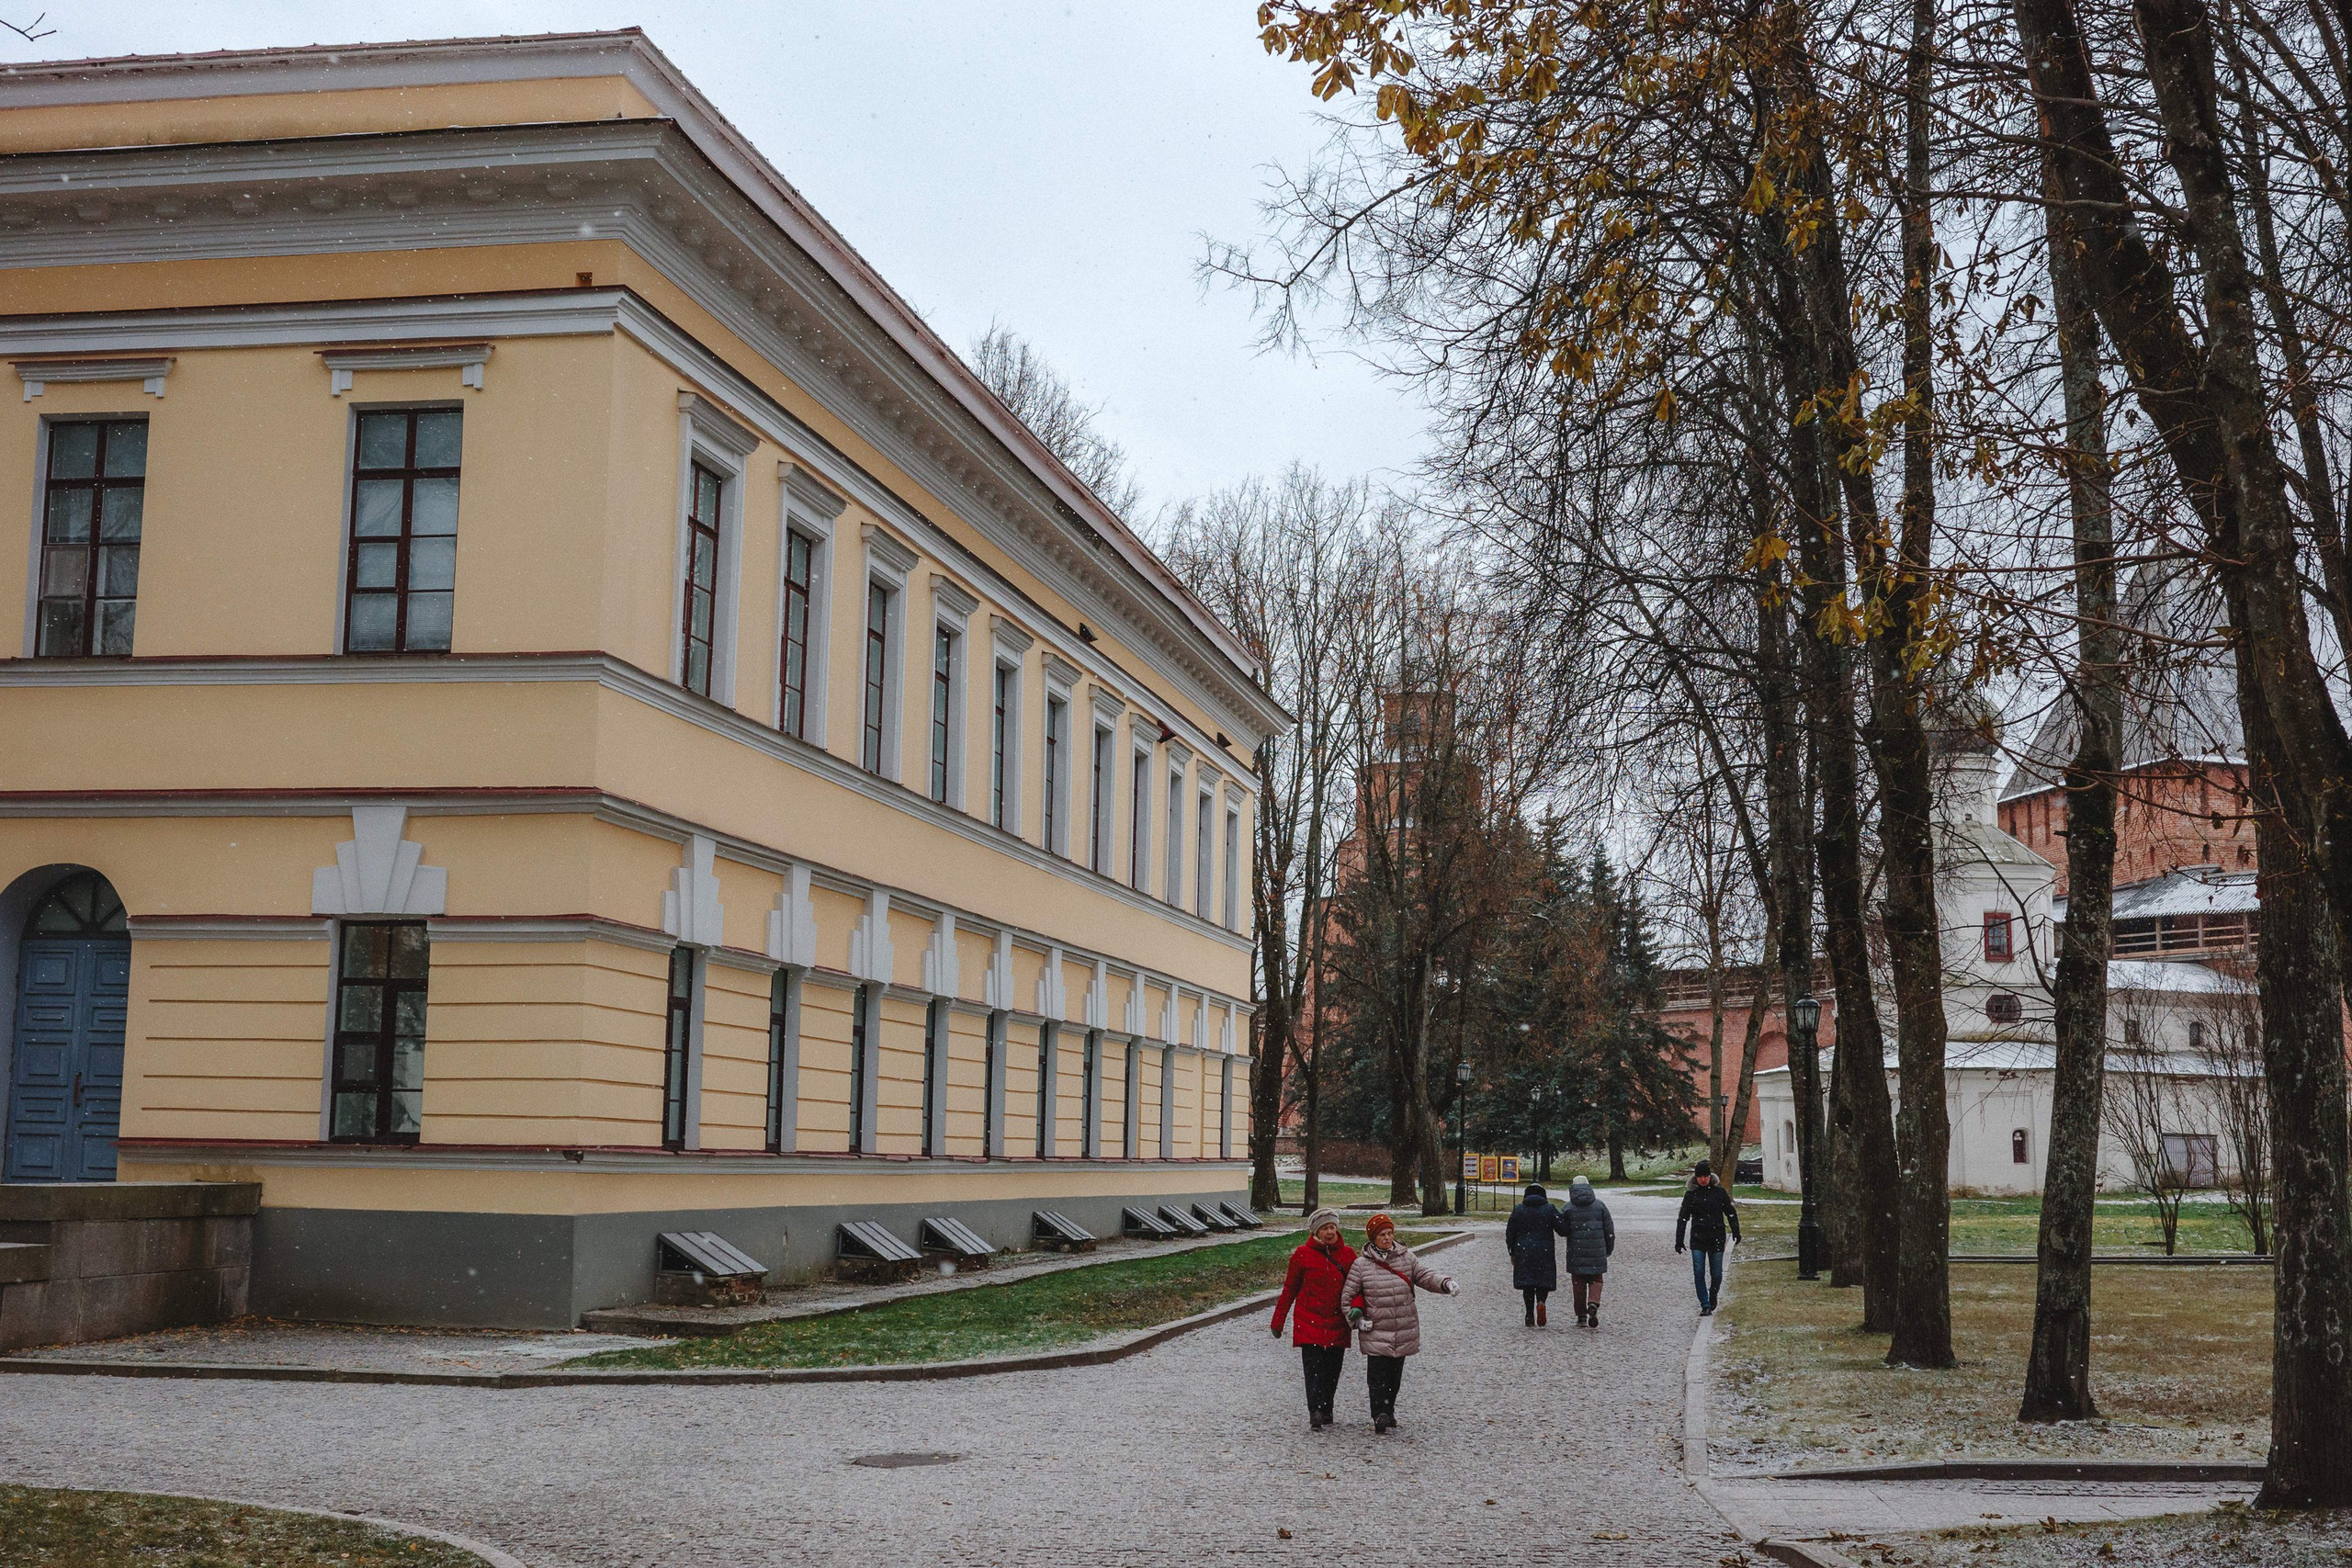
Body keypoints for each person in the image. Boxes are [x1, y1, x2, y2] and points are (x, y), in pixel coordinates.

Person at [1340, 1213, 1458, 1433]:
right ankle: (1379, 1414)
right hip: (1375, 1330)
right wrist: (1357, 1322)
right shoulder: (1361, 1265)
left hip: (1402, 1328)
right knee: (1376, 1376)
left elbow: (1424, 1276)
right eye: (1382, 1234)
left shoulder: (1406, 1258)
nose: (1387, 1237)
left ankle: (1389, 1411)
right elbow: (1347, 1298)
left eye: (1389, 1233)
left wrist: (1445, 1283)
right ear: (1372, 1238)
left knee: (1394, 1376)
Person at [1272, 1208, 1357, 1429]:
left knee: (1332, 1369)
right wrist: (1278, 1322)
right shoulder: (1302, 1254)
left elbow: (1358, 1288)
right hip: (1309, 1321)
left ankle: (1327, 1408)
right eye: (1325, 1228)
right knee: (1313, 1368)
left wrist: (1358, 1311)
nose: (1330, 1232)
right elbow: (1290, 1289)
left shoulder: (1348, 1255)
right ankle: (1315, 1410)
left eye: (1332, 1227)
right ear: (1315, 1231)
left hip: (1337, 1321)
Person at [1675, 1159, 1742, 1314]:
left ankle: (1713, 1294)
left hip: (1716, 1236)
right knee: (1698, 1272)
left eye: (1705, 1176)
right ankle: (1705, 1304)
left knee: (1717, 1273)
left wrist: (1736, 1231)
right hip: (1698, 1238)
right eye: (1700, 1176)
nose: (1703, 1179)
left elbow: (1730, 1213)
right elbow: (1683, 1218)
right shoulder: (1691, 1195)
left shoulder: (1719, 1193)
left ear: (1710, 1176)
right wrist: (1679, 1240)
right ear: (1696, 1178)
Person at [1503, 1182, 1564, 1326]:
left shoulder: (1518, 1210)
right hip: (1545, 1250)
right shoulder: (1549, 1209)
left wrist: (1511, 1251)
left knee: (1528, 1283)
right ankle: (1541, 1302)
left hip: (1523, 1250)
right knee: (1542, 1281)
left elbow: (1510, 1233)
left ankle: (1529, 1313)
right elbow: (1562, 1229)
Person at [1559, 1174, 1615, 1327]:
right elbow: (1609, 1230)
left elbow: (1561, 1229)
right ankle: (1593, 1302)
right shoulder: (1600, 1206)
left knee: (1578, 1284)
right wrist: (1608, 1249)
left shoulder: (1567, 1207)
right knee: (1596, 1280)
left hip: (1576, 1252)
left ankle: (1581, 1316)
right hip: (1597, 1252)